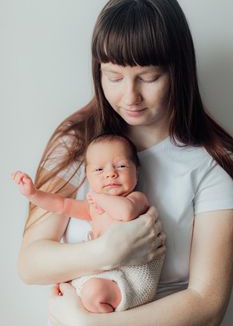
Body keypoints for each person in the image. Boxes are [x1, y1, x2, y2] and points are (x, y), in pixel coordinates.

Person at [17, 0, 233, 326]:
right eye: (114, 76)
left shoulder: (210, 164)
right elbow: (31, 263)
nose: (130, 96)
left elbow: (208, 304)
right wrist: (110, 250)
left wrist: (90, 324)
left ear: (179, 71)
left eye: (149, 77)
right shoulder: (78, 144)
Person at [13, 134, 164, 313]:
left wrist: (98, 197)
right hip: (104, 272)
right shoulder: (93, 206)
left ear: (136, 172)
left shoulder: (136, 199)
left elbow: (125, 212)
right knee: (68, 288)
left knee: (93, 293)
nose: (110, 174)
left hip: (131, 276)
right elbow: (62, 205)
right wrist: (34, 194)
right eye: (99, 170)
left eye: (121, 166)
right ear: (88, 176)